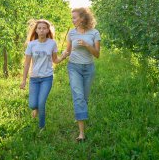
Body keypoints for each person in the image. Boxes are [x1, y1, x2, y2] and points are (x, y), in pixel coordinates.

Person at [20, 19, 69, 129]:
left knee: (41, 103)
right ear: (36, 30)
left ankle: (41, 127)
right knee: (33, 104)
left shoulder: (52, 43)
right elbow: (27, 64)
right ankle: (35, 109)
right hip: (34, 78)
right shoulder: (32, 45)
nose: (42, 30)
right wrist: (24, 80)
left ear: (48, 30)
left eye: (44, 28)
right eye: (39, 28)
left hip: (47, 78)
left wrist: (63, 56)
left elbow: (55, 60)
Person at [65, 8, 101, 142]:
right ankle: (81, 133)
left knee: (84, 98)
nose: (72, 20)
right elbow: (68, 51)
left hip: (88, 68)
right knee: (78, 97)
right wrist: (57, 58)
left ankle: (80, 114)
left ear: (82, 18)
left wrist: (87, 44)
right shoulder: (71, 33)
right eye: (72, 18)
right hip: (74, 67)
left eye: (74, 17)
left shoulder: (94, 33)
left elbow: (97, 54)